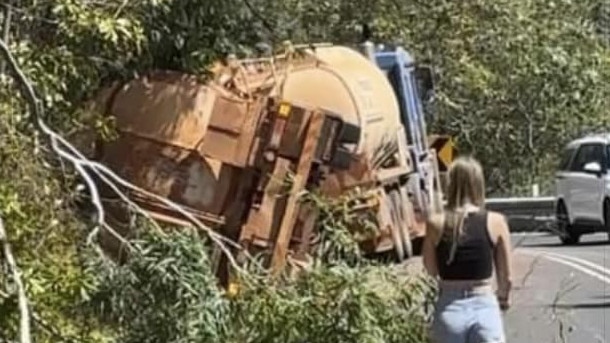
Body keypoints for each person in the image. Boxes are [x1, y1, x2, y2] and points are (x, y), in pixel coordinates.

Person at [422, 156, 512, 343]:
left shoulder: (435, 223)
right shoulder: (495, 221)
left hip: (449, 309)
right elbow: (507, 278)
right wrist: (503, 298)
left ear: (450, 184)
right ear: (478, 184)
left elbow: (430, 272)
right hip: (484, 308)